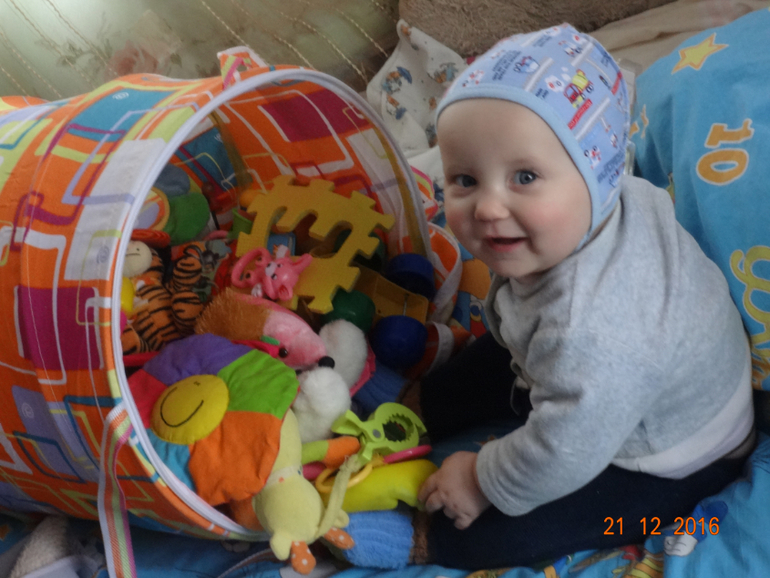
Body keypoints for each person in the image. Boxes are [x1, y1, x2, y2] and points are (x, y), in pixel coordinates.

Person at [342, 23, 755, 571]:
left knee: (526, 519)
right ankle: (418, 404)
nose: (488, 207)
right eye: (465, 179)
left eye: (525, 177)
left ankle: (427, 539)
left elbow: (566, 449)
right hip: (593, 376)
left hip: (669, 455)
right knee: (490, 357)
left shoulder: (594, 328)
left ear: (599, 174)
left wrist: (480, 478)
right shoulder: (601, 206)